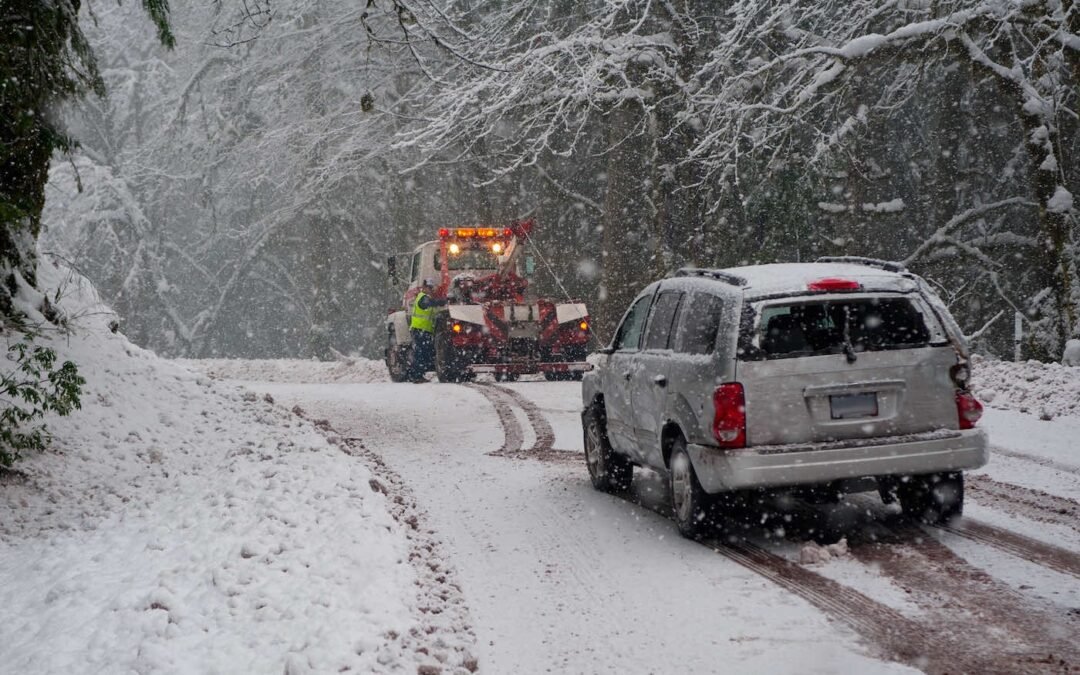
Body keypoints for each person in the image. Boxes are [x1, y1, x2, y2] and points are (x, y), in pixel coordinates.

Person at [408, 279, 447, 382]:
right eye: (429, 287)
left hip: (424, 330)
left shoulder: (427, 298)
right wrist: (444, 301)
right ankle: (416, 376)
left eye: (432, 288)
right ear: (424, 287)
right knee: (420, 352)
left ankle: (418, 374)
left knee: (424, 352)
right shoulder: (423, 298)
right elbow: (429, 303)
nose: (430, 290)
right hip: (420, 329)